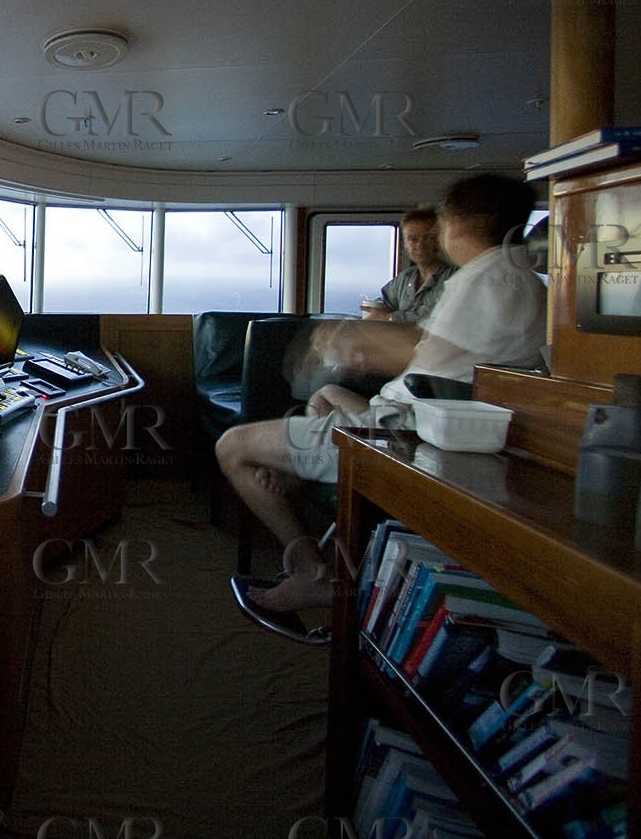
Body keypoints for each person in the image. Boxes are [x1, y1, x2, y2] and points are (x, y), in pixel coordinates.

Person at [217, 173, 546, 614]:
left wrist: (351, 338)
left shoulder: (492, 279)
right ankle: (299, 472)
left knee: (233, 447)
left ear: (454, 224)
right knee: (327, 393)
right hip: (417, 414)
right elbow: (441, 353)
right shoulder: (513, 277)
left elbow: (421, 350)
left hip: (402, 429)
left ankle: (312, 573)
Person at [362, 207, 454, 325]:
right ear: (405, 243)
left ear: (440, 240)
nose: (420, 245)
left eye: (428, 238)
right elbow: (383, 305)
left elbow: (435, 317)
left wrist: (390, 317)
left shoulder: (454, 277)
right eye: (412, 239)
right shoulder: (405, 278)